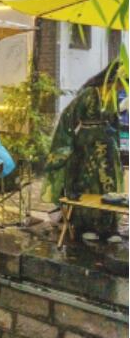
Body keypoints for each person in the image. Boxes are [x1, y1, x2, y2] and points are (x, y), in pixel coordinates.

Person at [43, 65, 125, 238]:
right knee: (88, 185)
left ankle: (108, 228)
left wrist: (116, 145)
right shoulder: (89, 93)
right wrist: (67, 146)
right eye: (121, 84)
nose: (121, 89)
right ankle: (85, 226)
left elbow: (115, 122)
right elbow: (68, 117)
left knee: (108, 187)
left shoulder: (112, 97)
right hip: (86, 149)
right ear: (112, 79)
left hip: (107, 150)